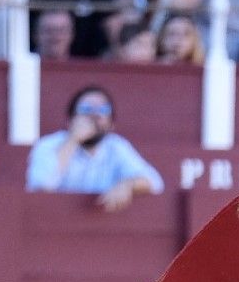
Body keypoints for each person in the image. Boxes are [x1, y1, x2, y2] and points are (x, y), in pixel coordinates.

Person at [26, 86, 163, 208]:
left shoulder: (115, 146)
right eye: (86, 109)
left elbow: (155, 183)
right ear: (70, 120)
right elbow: (42, 185)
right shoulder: (48, 145)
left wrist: (128, 185)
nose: (94, 115)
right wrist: (73, 140)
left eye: (103, 110)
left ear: (111, 124)